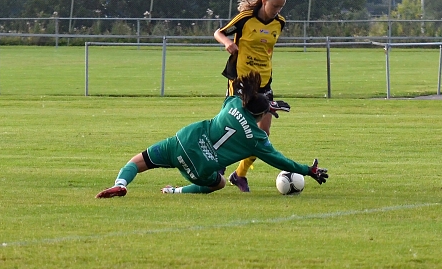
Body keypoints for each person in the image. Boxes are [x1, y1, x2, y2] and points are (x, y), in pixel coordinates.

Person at [96, 73, 327, 198]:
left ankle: (121, 184)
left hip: (182, 141)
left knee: (138, 162)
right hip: (200, 169)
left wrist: (265, 104)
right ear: (262, 115)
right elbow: (280, 161)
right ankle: (174, 191)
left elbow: (240, 98)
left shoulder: (233, 103)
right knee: (219, 183)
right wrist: (308, 170)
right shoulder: (257, 140)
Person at [212, 0, 288, 193]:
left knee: (263, 132)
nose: (277, 11)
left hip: (264, 82)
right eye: (275, 6)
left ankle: (240, 174)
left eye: (281, 7)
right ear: (264, 0)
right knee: (233, 126)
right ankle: (219, 164)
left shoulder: (279, 23)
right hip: (240, 81)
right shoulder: (245, 19)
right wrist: (227, 43)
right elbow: (219, 32)